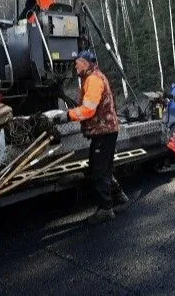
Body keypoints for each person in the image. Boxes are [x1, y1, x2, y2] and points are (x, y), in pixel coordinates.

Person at [51, 50, 129, 224]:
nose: (75, 66)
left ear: (85, 63)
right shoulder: (94, 76)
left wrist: (67, 116)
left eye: (77, 62)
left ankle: (106, 209)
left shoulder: (93, 80)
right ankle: (118, 195)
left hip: (104, 131)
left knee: (98, 171)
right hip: (105, 130)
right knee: (101, 167)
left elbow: (88, 109)